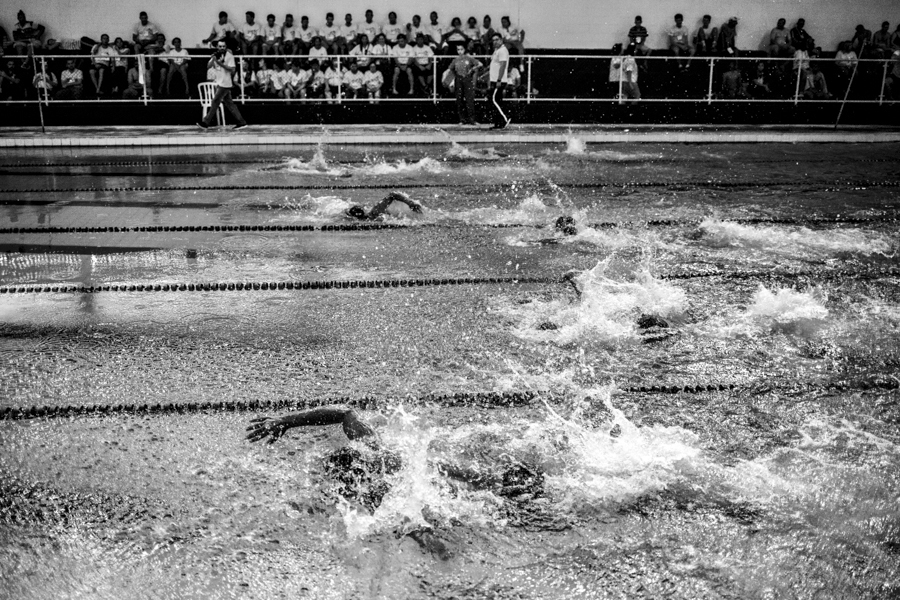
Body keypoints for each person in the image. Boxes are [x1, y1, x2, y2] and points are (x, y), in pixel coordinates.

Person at [197, 41, 247, 130]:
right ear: (217, 47)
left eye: (224, 46)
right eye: (220, 46)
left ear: (226, 46)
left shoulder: (229, 56)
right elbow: (208, 66)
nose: (222, 48)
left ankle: (205, 122)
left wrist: (220, 63)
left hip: (225, 83)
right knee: (230, 104)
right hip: (219, 82)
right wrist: (213, 59)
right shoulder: (216, 55)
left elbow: (232, 70)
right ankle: (241, 122)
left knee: (215, 101)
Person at [450, 41, 480, 125]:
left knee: (469, 99)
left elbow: (479, 64)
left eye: (461, 49)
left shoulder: (469, 58)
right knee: (459, 99)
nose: (460, 51)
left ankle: (472, 119)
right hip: (459, 79)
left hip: (467, 79)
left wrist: (472, 69)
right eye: (458, 49)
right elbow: (451, 69)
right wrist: (456, 76)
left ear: (464, 49)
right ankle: (462, 119)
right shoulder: (455, 60)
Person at [346, 191, 423, 219]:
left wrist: (410, 203)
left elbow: (392, 194)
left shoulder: (375, 211)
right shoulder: (373, 216)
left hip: (413, 209)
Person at [488, 33, 510, 129]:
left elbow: (503, 65)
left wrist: (499, 80)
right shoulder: (497, 50)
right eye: (493, 40)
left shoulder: (502, 51)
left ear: (501, 40)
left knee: (493, 100)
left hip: (499, 80)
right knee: (497, 101)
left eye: (497, 39)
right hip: (495, 80)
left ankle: (505, 118)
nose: (495, 42)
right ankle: (498, 123)